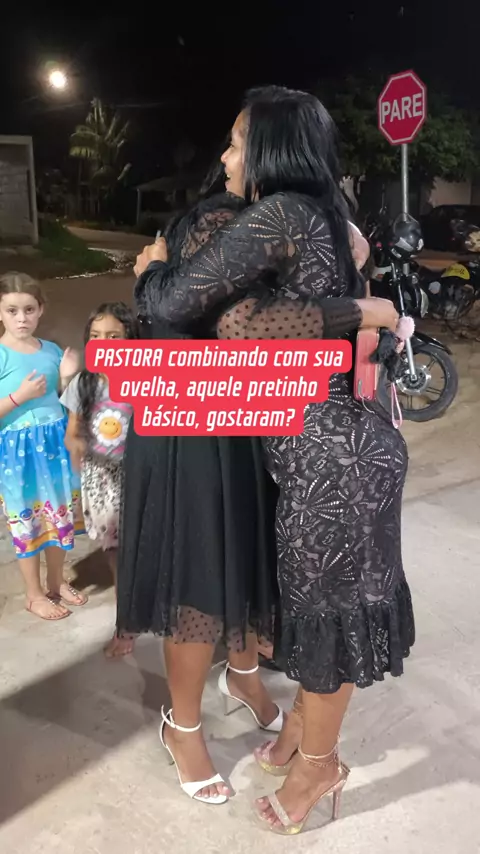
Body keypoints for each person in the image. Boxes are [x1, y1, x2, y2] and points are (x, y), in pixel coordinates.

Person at [134, 85, 413, 834]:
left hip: (330, 460)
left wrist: (150, 268)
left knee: (329, 622)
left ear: (270, 149)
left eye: (235, 142)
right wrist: (362, 307)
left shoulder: (281, 213)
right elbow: (259, 316)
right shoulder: (328, 216)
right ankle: (298, 736)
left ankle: (320, 766)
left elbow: (192, 309)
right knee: (326, 615)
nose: (225, 157)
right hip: (343, 448)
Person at [117, 190, 283, 806]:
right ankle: (182, 726)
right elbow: (178, 314)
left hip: (243, 422)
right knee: (198, 571)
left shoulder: (274, 225)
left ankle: (242, 676)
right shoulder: (207, 236)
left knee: (244, 555)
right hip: (187, 432)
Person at [0, 272, 86, 620]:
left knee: (59, 515)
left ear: (41, 310)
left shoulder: (50, 350)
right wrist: (19, 397)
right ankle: (34, 595)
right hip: (18, 453)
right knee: (28, 522)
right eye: (12, 311)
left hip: (56, 445)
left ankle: (55, 581)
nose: (21, 318)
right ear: (0, 312)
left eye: (29, 309)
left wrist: (66, 378)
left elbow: (63, 398)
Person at [62, 302, 137, 657]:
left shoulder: (144, 381)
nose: (103, 343)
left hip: (135, 476)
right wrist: (75, 446)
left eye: (113, 336)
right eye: (95, 336)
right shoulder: (84, 383)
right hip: (100, 479)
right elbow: (72, 431)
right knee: (116, 553)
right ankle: (126, 625)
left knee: (141, 548)